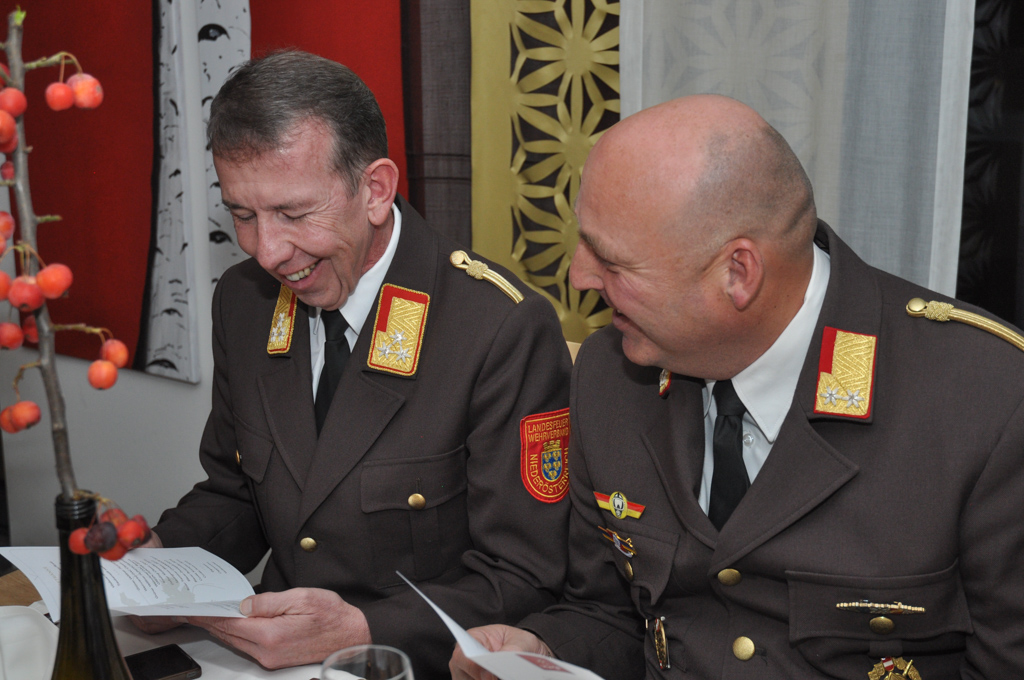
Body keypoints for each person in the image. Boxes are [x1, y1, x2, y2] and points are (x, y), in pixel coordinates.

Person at [449, 94, 1024, 679]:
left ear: (738, 273)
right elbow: (612, 612)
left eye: (613, 263)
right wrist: (542, 650)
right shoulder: (611, 377)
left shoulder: (987, 403)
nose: (579, 277)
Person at [137, 51, 573, 679]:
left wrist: (364, 631)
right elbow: (237, 494)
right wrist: (158, 563)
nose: (267, 252)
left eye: (293, 214)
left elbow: (527, 575)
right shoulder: (243, 300)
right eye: (242, 215)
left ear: (375, 190)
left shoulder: (496, 328)